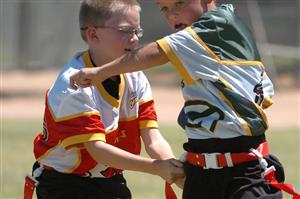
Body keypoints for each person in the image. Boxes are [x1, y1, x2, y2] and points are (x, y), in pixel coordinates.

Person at [69, 0, 300, 199]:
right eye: (164, 8)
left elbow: (158, 52)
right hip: (201, 170)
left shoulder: (216, 25)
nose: (172, 15)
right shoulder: (201, 44)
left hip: (242, 169)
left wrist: (101, 72)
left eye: (179, 3)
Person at [24, 1, 185, 199]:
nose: (134, 39)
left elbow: (153, 138)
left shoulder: (136, 77)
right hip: (65, 183)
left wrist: (174, 169)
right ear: (93, 34)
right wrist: (157, 168)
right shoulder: (73, 84)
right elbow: (97, 151)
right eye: (126, 30)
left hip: (110, 178)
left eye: (137, 31)